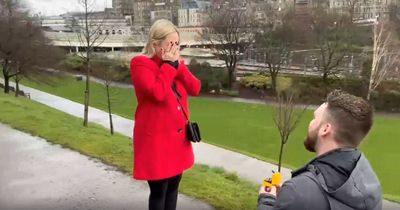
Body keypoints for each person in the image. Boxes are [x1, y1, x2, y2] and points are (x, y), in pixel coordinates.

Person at [257, 90, 382, 210]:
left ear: (325, 129)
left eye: (314, 118)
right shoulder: (370, 183)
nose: (310, 123)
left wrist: (267, 201)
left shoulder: (298, 192)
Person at [130, 19, 201, 210]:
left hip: (177, 141)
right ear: (155, 44)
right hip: (157, 143)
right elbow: (157, 93)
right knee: (159, 191)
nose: (175, 48)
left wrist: (179, 67)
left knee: (173, 189)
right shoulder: (140, 65)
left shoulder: (174, 64)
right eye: (171, 44)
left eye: (177, 44)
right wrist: (170, 67)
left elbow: (195, 88)